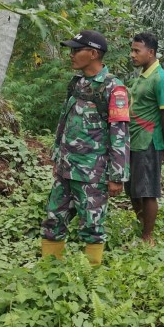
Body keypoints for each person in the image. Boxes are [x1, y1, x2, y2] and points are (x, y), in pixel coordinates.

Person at [41, 30, 130, 266]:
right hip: (66, 168)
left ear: (93, 54)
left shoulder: (113, 88)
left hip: (92, 173)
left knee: (92, 225)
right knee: (53, 219)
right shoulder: (77, 84)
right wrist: (57, 158)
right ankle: (49, 271)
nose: (71, 55)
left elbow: (119, 134)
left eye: (76, 50)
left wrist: (117, 176)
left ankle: (91, 275)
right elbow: (64, 122)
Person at [126, 33, 164, 245]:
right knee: (132, 189)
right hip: (134, 140)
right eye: (132, 50)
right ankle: (141, 225)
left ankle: (148, 237)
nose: (132, 54)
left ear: (151, 52)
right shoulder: (143, 74)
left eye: (137, 50)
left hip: (148, 142)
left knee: (147, 191)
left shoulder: (160, 79)